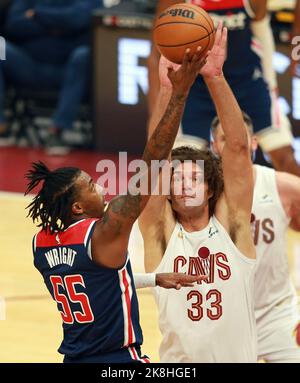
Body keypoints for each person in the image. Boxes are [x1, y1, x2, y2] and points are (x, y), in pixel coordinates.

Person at [24, 47, 206, 363]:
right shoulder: (106, 232)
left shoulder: (40, 244)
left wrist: (154, 279)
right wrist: (180, 93)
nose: (102, 187)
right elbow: (154, 159)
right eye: (92, 187)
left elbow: (94, 279)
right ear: (78, 207)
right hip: (117, 360)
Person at [140, 22, 257, 363]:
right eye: (176, 178)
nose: (185, 183)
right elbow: (155, 154)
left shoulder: (232, 228)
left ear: (210, 190)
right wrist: (168, 91)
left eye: (195, 177)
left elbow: (237, 147)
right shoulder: (159, 234)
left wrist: (214, 76)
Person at [148, 0, 300, 177]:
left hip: (247, 84)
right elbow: (156, 57)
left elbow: (263, 37)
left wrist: (271, 87)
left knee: (285, 158)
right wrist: (155, 122)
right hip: (196, 89)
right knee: (178, 172)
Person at [211, 112, 300, 362]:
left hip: (277, 315)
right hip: (222, 318)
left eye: (240, 138)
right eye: (223, 138)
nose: (233, 144)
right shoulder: (200, 193)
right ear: (214, 145)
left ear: (253, 142)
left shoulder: (280, 185)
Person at [0, 0, 101, 154]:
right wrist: (58, 25)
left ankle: (57, 131)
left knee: (83, 55)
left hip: (69, 72)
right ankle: (2, 126)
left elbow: (77, 18)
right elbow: (13, 24)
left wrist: (37, 15)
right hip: (29, 67)